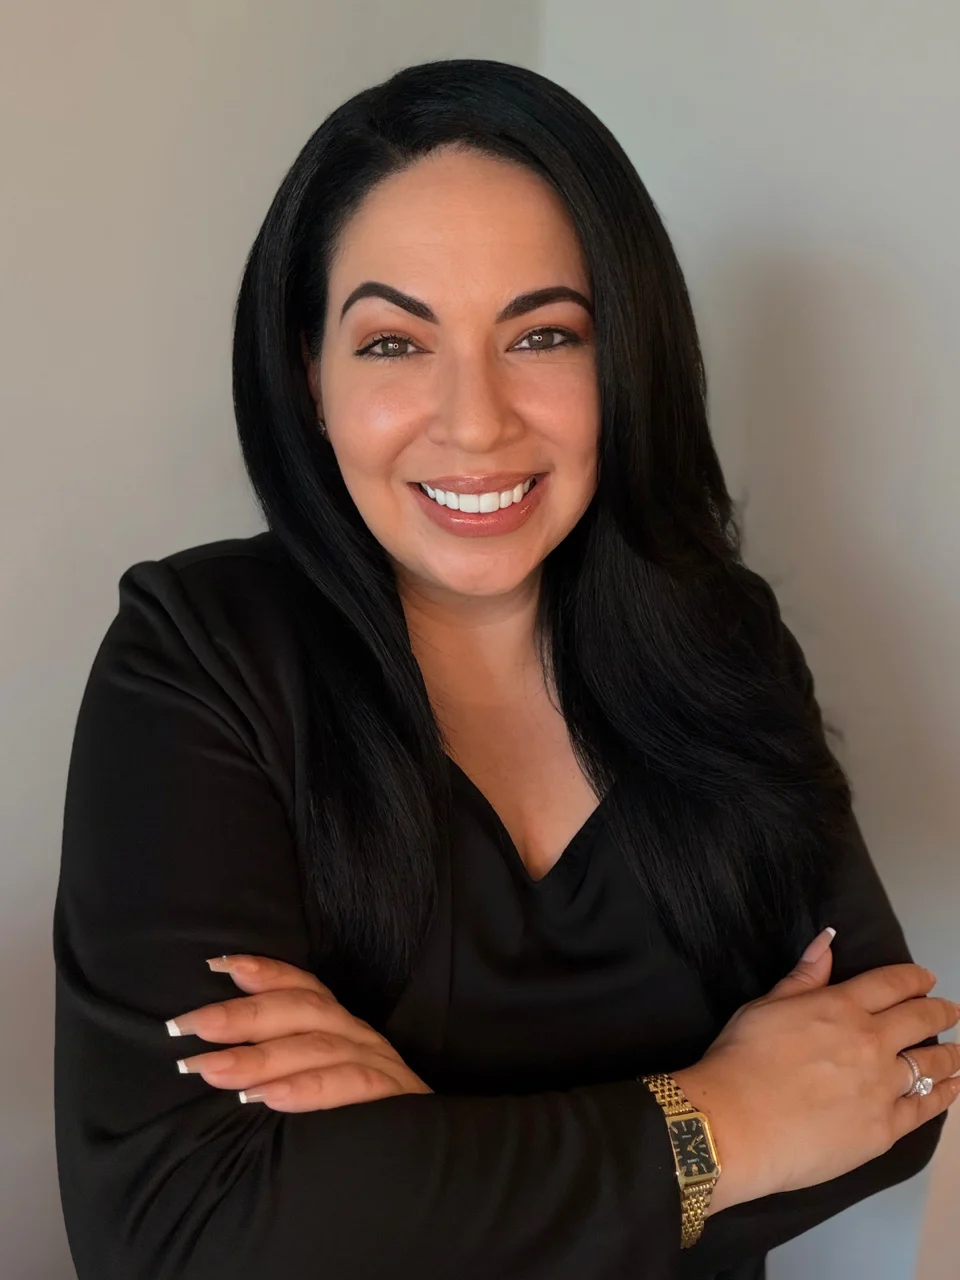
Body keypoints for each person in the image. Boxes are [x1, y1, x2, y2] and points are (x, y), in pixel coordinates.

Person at [53, 57, 958, 1280]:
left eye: (541, 333)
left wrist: (416, 1158)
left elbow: (896, 1083)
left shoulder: (725, 644)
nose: (474, 421)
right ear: (308, 374)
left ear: (622, 363)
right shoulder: (199, 654)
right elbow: (185, 1230)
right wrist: (725, 1120)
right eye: (391, 341)